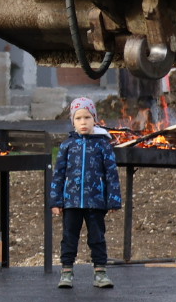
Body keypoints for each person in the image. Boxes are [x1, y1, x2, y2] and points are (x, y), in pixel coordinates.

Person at [50, 96, 122, 289]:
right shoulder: (67, 146)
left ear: (95, 119)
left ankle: (100, 272)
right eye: (79, 118)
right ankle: (66, 272)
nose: (83, 122)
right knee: (69, 236)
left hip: (96, 201)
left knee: (97, 237)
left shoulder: (103, 145)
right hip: (71, 201)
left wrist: (113, 199)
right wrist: (56, 201)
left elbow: (112, 174)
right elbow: (58, 174)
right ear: (73, 121)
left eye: (87, 118)